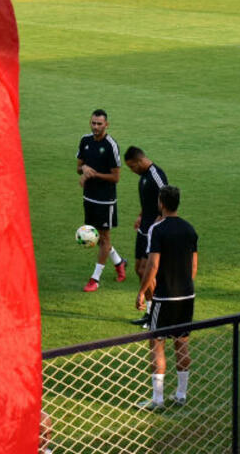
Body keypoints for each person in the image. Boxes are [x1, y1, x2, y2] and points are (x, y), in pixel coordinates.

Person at [136, 186, 197, 410]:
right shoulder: (189, 229)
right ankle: (181, 394)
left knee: (157, 343)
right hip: (187, 295)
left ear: (161, 203)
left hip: (165, 297)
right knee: (181, 343)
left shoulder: (157, 229)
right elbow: (194, 266)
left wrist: (142, 291)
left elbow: (152, 265)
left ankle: (158, 399)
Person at [77, 109, 124, 292]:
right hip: (89, 197)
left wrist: (93, 174)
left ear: (106, 125)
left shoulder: (111, 145)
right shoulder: (85, 141)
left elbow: (116, 177)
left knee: (104, 238)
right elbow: (79, 167)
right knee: (97, 237)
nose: (95, 127)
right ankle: (119, 262)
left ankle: (95, 279)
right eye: (93, 123)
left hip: (105, 200)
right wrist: (84, 169)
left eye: (99, 124)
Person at [124, 146, 168, 327]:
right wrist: (141, 216)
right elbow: (149, 201)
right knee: (139, 269)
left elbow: (167, 200)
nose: (132, 170)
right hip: (144, 228)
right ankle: (150, 312)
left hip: (153, 231)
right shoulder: (143, 176)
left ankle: (158, 314)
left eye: (132, 167)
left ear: (140, 161)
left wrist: (159, 222)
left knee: (147, 270)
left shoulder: (156, 175)